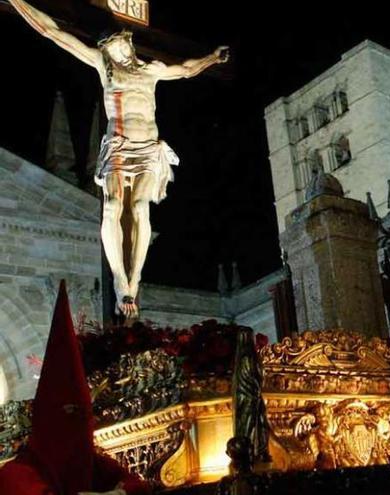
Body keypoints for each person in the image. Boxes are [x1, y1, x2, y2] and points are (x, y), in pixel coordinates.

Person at [9, 0, 228, 318]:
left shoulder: (151, 70)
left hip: (148, 149)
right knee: (112, 206)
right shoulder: (103, 67)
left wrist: (212, 58)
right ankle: (118, 278)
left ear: (126, 41)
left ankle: (134, 281)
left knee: (139, 208)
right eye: (108, 48)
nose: (113, 52)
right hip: (118, 146)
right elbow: (52, 32)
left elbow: (185, 70)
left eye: (115, 45)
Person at [0, 282, 151, 495]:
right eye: (70, 414)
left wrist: (120, 493)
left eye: (83, 415)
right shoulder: (16, 472)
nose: (77, 427)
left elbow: (138, 485)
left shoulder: (92, 462)